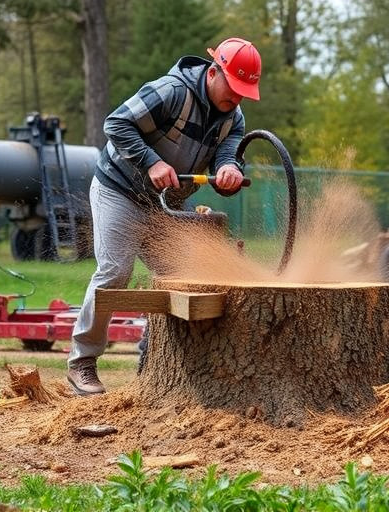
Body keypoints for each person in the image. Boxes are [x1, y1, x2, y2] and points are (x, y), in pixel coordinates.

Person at [67, 37, 262, 396]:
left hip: (165, 204)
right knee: (115, 272)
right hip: (119, 190)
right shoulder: (171, 91)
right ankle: (82, 363)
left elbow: (229, 153)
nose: (236, 97)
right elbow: (116, 124)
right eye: (233, 87)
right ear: (213, 71)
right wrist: (152, 161)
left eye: (243, 91)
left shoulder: (233, 117)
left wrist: (230, 170)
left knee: (184, 276)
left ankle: (152, 359)